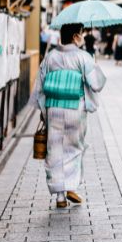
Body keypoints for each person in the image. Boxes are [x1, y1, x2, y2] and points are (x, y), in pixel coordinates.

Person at [29, 23, 106, 208]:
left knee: (54, 149)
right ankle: (71, 185)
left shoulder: (51, 57)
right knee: (73, 147)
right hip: (75, 109)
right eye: (80, 33)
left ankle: (60, 196)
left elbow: (40, 86)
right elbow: (96, 84)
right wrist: (94, 65)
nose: (82, 36)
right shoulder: (83, 57)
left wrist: (43, 109)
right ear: (74, 37)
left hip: (53, 109)